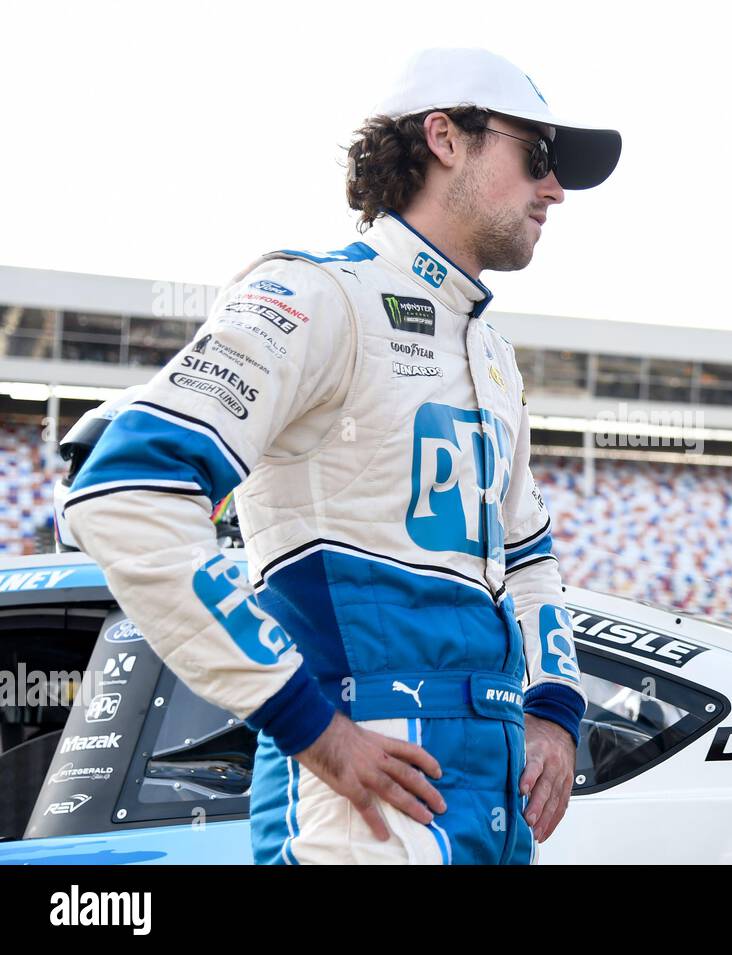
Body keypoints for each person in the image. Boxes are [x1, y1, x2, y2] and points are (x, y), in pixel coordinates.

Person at [62, 47, 621, 864]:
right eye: (537, 155)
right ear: (445, 138)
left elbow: (529, 555)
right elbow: (124, 491)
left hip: (491, 796)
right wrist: (311, 729)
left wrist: (555, 709)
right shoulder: (314, 293)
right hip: (364, 799)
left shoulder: (493, 355)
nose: (556, 189)